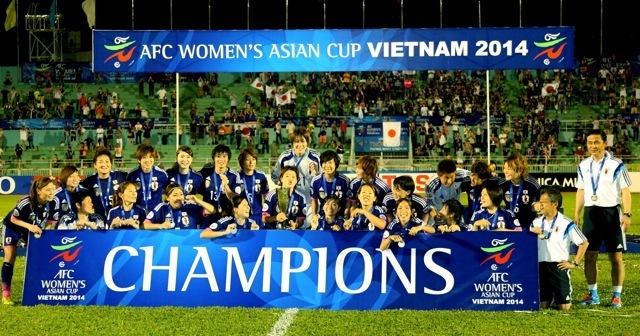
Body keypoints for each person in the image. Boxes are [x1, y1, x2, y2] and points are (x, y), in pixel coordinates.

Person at [574, 130, 631, 308]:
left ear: (605, 143)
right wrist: (577, 212)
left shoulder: (617, 164)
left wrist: (627, 214)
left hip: (612, 214)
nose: (592, 146)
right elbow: (581, 190)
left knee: (616, 257)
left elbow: (625, 191)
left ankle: (616, 295)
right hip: (591, 214)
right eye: (590, 142)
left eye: (596, 142)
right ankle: (593, 294)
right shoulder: (583, 165)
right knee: (589, 256)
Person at [530, 187, 589, 310]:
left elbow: (584, 243)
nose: (540, 205)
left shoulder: (566, 223)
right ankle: (549, 296)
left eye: (544, 202)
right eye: (540, 201)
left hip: (558, 267)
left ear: (555, 204)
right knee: (542, 305)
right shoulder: (535, 222)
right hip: (540, 267)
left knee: (564, 307)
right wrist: (530, 232)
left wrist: (574, 263)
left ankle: (557, 295)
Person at [1, 177, 57, 305]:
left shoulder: (54, 202)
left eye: (53, 189)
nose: (51, 192)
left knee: (37, 258)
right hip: (12, 228)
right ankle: (6, 295)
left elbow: (51, 222)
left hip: (31, 231)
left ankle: (37, 291)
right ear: (38, 190)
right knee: (10, 258)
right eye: (48, 189)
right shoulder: (25, 202)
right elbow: (14, 219)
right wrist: (30, 226)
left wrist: (45, 230)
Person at [271, 127, 321, 223]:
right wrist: (281, 183)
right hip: (290, 202)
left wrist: (317, 174)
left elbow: (323, 179)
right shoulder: (285, 157)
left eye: (303, 141)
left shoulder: (315, 157)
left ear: (307, 142)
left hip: (311, 202)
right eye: (296, 142)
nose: (300, 145)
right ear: (292, 143)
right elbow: (274, 176)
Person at [80, 148, 128, 219]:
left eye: (107, 161)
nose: (104, 164)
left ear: (111, 164)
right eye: (100, 162)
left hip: (118, 220)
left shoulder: (120, 175)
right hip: (97, 221)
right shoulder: (88, 181)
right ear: (95, 165)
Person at [144, 183, 215, 230]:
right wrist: (160, 226)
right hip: (169, 244)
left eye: (181, 194)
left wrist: (197, 200)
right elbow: (145, 224)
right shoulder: (162, 208)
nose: (179, 197)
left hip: (189, 243)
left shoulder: (190, 207)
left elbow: (212, 210)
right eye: (175, 195)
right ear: (167, 197)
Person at [199, 144, 241, 224]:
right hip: (207, 216)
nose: (221, 159)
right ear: (213, 158)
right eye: (218, 156)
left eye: (224, 156)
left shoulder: (234, 176)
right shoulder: (205, 172)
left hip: (226, 217)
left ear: (228, 159)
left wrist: (226, 186)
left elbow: (236, 200)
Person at [499, 153, 541, 231]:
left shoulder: (532, 183)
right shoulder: (502, 183)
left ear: (519, 170)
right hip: (509, 227)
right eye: (504, 168)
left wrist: (536, 205)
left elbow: (543, 201)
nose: (505, 171)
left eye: (509, 169)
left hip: (527, 227)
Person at [425, 159, 471, 224]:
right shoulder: (431, 185)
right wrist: (435, 217)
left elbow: (478, 175)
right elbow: (429, 204)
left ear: (455, 172)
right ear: (439, 175)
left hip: (455, 217)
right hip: (437, 217)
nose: (449, 181)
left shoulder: (462, 175)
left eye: (452, 177)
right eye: (446, 177)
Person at [127, 144, 169, 213]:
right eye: (144, 157)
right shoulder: (132, 175)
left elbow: (168, 191)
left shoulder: (161, 174)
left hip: (156, 213)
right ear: (139, 160)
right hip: (138, 212)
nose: (148, 160)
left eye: (150, 157)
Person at [310, 150, 350, 220]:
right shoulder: (315, 181)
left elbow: (348, 201)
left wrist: (346, 217)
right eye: (324, 162)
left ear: (336, 164)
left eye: (330, 162)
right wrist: (314, 216)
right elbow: (314, 200)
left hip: (341, 217)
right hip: (323, 216)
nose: (327, 165)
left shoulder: (344, 181)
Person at [237, 148, 269, 228]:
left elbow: (266, 197)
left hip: (258, 216)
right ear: (242, 162)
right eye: (248, 159)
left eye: (253, 159)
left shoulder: (261, 176)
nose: (251, 162)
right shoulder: (237, 177)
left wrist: (266, 213)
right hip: (242, 217)